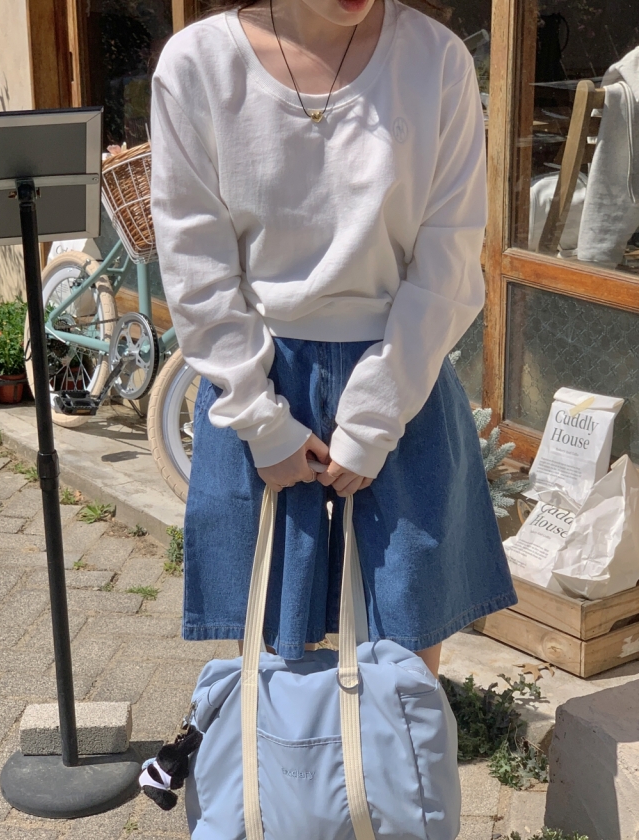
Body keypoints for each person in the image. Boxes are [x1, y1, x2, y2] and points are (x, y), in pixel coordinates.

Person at [151, 0, 516, 677]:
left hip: (401, 373)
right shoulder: (200, 65)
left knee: (403, 671)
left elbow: (449, 256)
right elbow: (194, 260)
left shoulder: (436, 61)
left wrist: (376, 415)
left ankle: (386, 758)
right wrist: (260, 419)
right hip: (262, 374)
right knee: (271, 669)